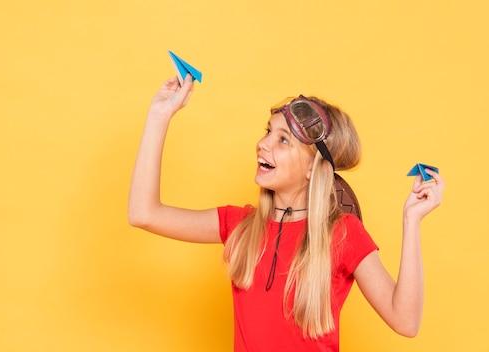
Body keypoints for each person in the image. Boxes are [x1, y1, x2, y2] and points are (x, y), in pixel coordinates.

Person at [128, 74, 445, 351]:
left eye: (283, 140)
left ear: (312, 168)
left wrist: (411, 221)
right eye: (267, 131)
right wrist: (159, 115)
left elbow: (406, 322)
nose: (263, 144)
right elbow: (143, 213)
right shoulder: (240, 226)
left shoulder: (343, 234)